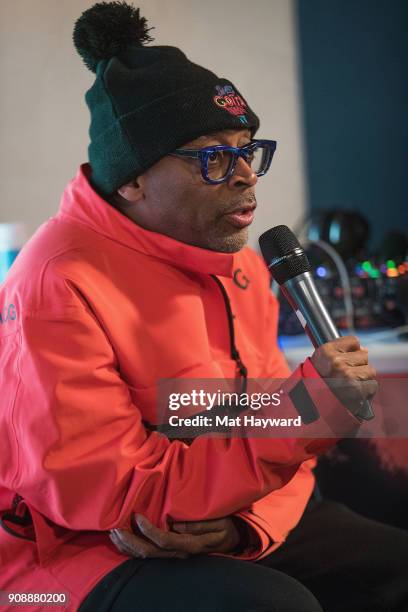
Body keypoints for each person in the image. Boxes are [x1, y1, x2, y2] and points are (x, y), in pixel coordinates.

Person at [0, 3, 407, 611]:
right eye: (213, 158)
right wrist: (306, 413)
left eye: (249, 149)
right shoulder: (58, 282)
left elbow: (259, 428)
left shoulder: (238, 259)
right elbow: (116, 497)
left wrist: (247, 527)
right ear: (133, 179)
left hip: (218, 509)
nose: (247, 175)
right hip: (74, 558)